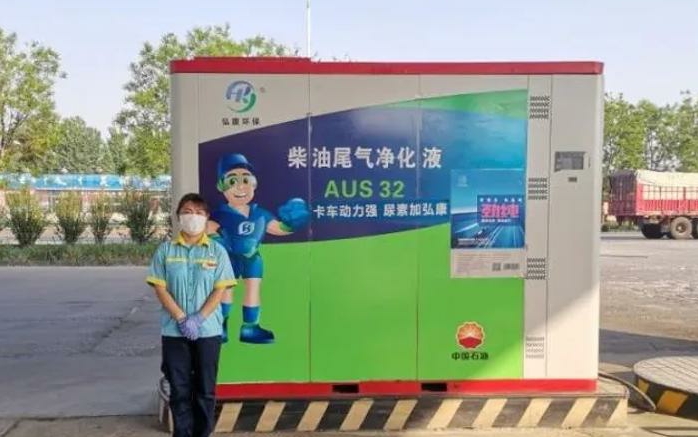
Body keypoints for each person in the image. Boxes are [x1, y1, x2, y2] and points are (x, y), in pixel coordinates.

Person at [147, 193, 236, 437]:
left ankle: (202, 433)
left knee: (205, 389)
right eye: (187, 212)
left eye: (198, 212)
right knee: (180, 389)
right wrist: (181, 318)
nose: (192, 217)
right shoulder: (166, 251)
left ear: (206, 218)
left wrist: (199, 318)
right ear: (178, 217)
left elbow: (220, 289)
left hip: (208, 331)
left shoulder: (217, 251)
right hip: (174, 332)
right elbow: (160, 287)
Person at [207, 153, 310, 344]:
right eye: (232, 181)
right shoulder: (221, 213)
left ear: (254, 184)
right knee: (225, 289)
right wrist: (220, 240)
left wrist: (292, 223)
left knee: (253, 289)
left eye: (247, 180)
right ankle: (220, 325)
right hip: (228, 258)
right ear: (221, 185)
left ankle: (250, 327)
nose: (241, 187)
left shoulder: (259, 213)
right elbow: (209, 227)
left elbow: (277, 228)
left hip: (252, 257)